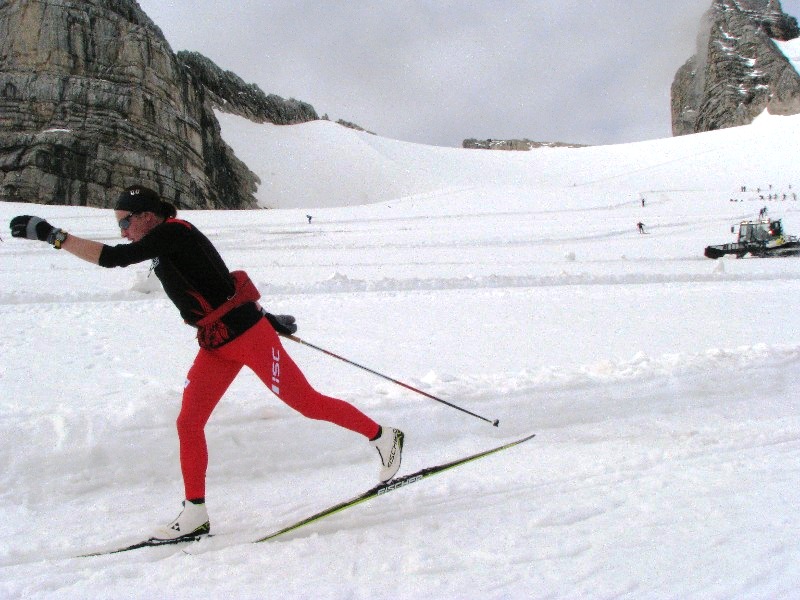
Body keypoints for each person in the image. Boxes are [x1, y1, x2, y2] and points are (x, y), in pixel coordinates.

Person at [9, 185, 404, 542]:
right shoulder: (165, 242)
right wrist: (265, 313)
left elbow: (113, 259)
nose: (124, 232)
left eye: (125, 222)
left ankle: (384, 436)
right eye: (119, 226)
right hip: (216, 343)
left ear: (147, 215)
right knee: (188, 422)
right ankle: (194, 513)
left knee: (306, 402)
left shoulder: (174, 232)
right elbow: (215, 278)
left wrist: (53, 236)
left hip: (248, 338)